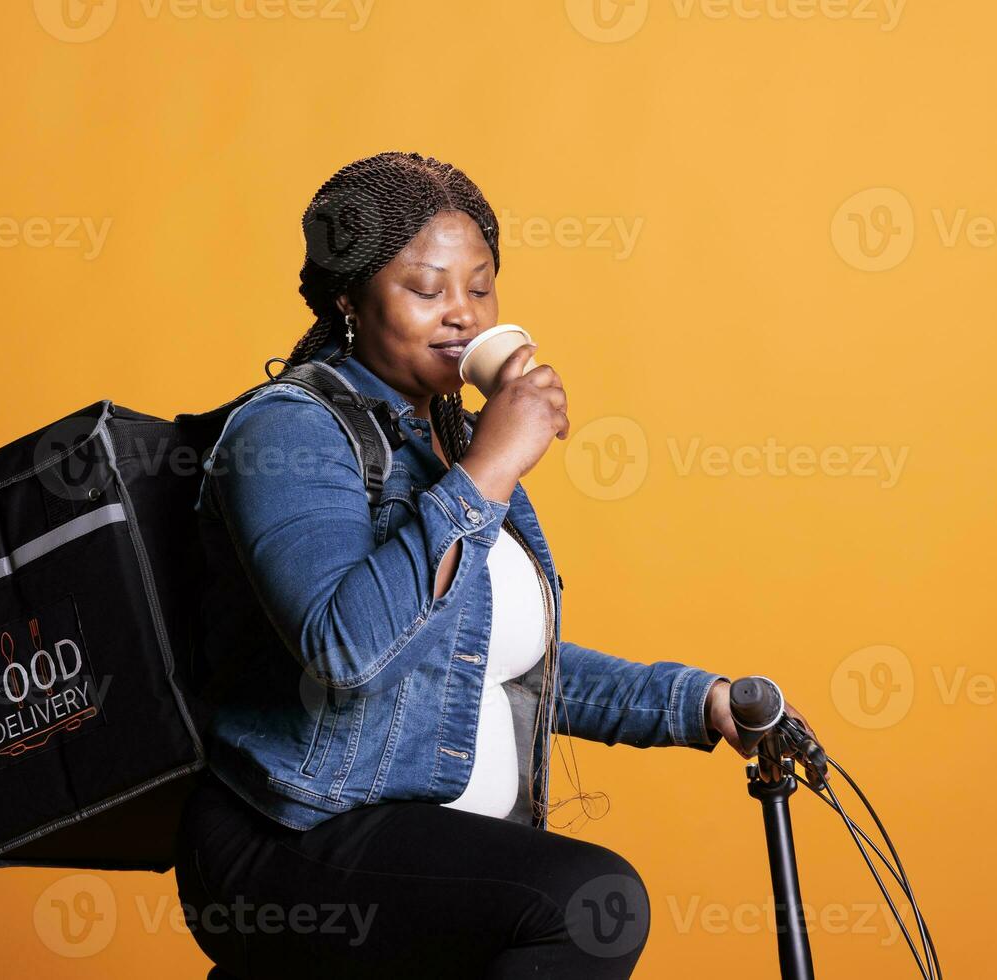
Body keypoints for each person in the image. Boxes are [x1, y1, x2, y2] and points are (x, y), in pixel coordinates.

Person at [173, 151, 816, 979]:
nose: (462, 316)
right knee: (589, 904)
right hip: (291, 838)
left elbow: (497, 668)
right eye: (427, 288)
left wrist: (702, 702)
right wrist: (489, 471)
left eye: (480, 288)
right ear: (349, 299)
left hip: (414, 848)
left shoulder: (449, 444)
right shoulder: (291, 431)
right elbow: (344, 649)